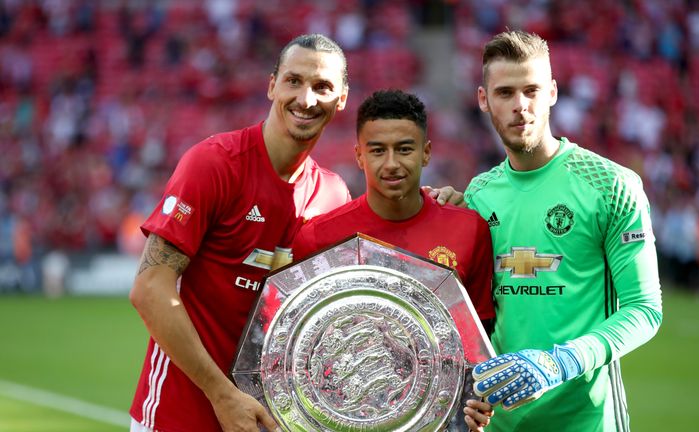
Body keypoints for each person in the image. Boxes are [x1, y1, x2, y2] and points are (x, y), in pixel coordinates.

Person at [128, 35, 461, 432]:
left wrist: (433, 205)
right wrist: (223, 395)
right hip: (179, 414)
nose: (306, 99)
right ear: (272, 85)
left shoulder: (333, 195)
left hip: (272, 421)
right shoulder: (214, 164)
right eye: (293, 81)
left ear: (341, 99)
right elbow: (149, 289)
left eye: (322, 87)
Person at [462, 30, 663, 432]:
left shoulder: (611, 185)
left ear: (552, 92)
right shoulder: (477, 195)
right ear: (484, 100)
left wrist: (560, 362)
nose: (521, 106)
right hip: (497, 424)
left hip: (585, 421)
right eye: (505, 93)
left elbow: (645, 310)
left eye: (532, 90)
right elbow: (474, 315)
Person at [292, 89, 495, 328]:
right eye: (378, 151)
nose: (391, 164)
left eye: (404, 149)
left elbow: (479, 337)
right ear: (359, 156)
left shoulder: (470, 230)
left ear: (426, 153)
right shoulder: (317, 239)